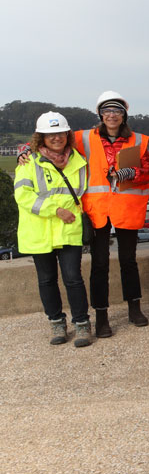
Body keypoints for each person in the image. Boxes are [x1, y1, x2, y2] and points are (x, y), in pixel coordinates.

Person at [75, 91, 149, 337]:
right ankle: (101, 316)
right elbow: (50, 142)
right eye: (108, 111)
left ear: (124, 116)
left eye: (117, 111)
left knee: (128, 261)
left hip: (126, 210)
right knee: (99, 265)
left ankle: (134, 308)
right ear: (100, 114)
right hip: (97, 210)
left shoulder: (138, 140)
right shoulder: (82, 138)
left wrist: (129, 173)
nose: (112, 116)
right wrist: (26, 149)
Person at [14, 112, 93, 347]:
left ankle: (82, 325)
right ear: (41, 138)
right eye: (50, 135)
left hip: (68, 229)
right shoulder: (29, 162)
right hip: (40, 230)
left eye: (60, 133)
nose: (56, 138)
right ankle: (57, 323)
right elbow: (22, 196)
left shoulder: (79, 161)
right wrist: (55, 210)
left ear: (67, 134)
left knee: (73, 279)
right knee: (46, 280)